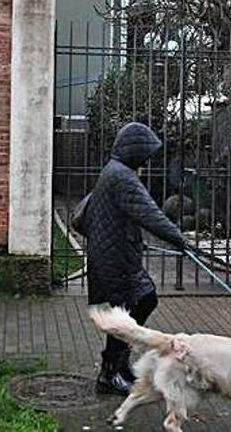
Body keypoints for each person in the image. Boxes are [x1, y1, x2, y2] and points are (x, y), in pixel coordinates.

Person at [81, 122, 186, 395]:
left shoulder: (116, 171)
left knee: (134, 305)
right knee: (135, 304)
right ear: (135, 151)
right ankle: (110, 373)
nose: (147, 161)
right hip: (115, 258)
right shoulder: (122, 176)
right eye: (145, 154)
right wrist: (179, 239)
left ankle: (117, 365)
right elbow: (149, 213)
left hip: (114, 254)